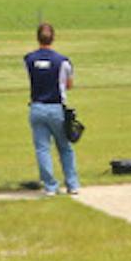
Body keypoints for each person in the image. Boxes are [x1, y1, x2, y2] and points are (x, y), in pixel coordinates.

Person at [24, 23, 79, 197]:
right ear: (53, 38)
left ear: (37, 38)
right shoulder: (63, 61)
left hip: (37, 107)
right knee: (65, 147)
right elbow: (69, 85)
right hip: (56, 108)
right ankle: (72, 184)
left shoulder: (29, 59)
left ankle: (50, 187)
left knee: (42, 149)